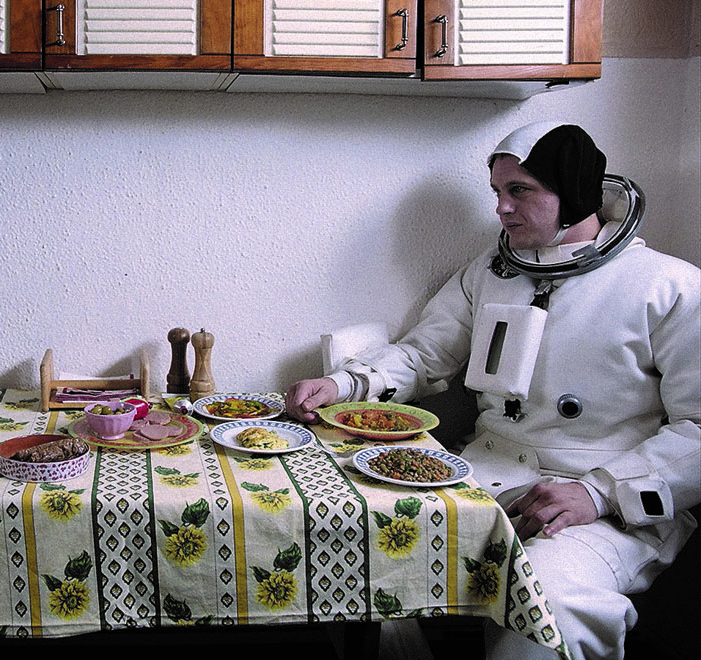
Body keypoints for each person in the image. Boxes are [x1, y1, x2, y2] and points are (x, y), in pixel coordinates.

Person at [286, 122, 700, 660]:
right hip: (487, 474)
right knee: (361, 548)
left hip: (604, 505)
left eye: (519, 191)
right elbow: (423, 353)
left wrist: (598, 492)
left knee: (548, 604)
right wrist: (341, 384)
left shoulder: (670, 286)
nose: (502, 208)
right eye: (498, 192)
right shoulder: (490, 272)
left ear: (575, 193)